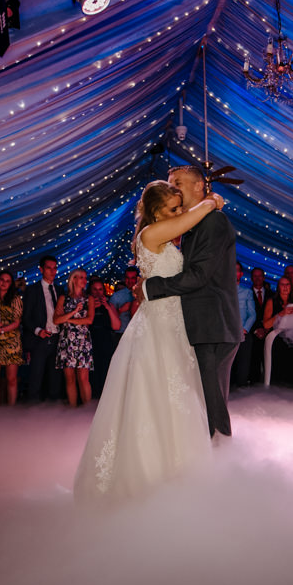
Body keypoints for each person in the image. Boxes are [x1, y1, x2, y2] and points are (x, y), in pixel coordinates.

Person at [73, 180, 223, 502]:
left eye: (180, 207)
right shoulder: (150, 235)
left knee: (177, 394)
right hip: (157, 327)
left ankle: (179, 469)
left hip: (173, 324)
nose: (180, 213)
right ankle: (149, 474)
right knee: (155, 394)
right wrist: (210, 202)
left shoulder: (163, 237)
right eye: (173, 208)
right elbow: (188, 221)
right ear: (157, 212)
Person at [137, 165, 242, 439]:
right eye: (171, 184)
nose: (175, 189)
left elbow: (198, 276)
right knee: (203, 400)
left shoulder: (213, 222)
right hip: (199, 325)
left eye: (179, 183)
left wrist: (151, 286)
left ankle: (222, 460)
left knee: (211, 402)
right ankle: (209, 459)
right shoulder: (194, 224)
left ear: (199, 186)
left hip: (213, 325)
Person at [22, 255, 62, 403]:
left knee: (55, 375)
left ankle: (54, 408)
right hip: (40, 338)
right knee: (36, 374)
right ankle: (33, 409)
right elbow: (26, 317)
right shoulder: (32, 290)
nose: (53, 271)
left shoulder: (59, 289)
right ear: (41, 270)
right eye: (49, 268)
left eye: (55, 268)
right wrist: (38, 330)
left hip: (57, 336)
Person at [261, 275, 293, 387]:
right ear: (278, 287)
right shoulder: (272, 301)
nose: (285, 287)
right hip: (276, 338)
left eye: (287, 284)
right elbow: (266, 324)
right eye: (282, 284)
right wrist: (282, 313)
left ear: (291, 286)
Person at [55, 268, 94, 406]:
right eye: (81, 277)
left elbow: (89, 320)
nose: (84, 280)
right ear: (74, 279)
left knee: (83, 378)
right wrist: (74, 312)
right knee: (70, 379)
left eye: (85, 277)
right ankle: (72, 412)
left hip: (83, 340)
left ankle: (87, 410)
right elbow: (56, 320)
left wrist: (68, 319)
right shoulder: (63, 298)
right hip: (66, 340)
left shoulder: (89, 299)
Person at [0, 270, 23, 406]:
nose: (4, 283)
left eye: (8, 281)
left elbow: (17, 322)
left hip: (11, 342)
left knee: (11, 379)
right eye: (2, 279)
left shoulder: (15, 298)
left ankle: (11, 411)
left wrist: (1, 327)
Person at [87, 277, 121, 398]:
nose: (97, 292)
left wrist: (107, 307)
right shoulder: (86, 304)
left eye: (100, 289)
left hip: (106, 341)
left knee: (107, 371)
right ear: (90, 291)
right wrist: (91, 308)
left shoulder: (110, 305)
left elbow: (117, 326)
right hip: (90, 341)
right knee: (92, 373)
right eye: (94, 290)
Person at [231, 262, 257, 389]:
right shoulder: (221, 292)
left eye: (236, 270)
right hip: (226, 334)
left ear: (241, 274)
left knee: (243, 368)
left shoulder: (247, 292)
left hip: (243, 334)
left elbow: (252, 314)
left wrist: (245, 329)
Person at [109, 267, 140, 333]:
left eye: (132, 278)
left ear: (137, 279)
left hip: (140, 333)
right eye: (127, 278)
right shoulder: (116, 296)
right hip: (122, 334)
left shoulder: (143, 295)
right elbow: (109, 320)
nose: (129, 281)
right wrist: (120, 310)